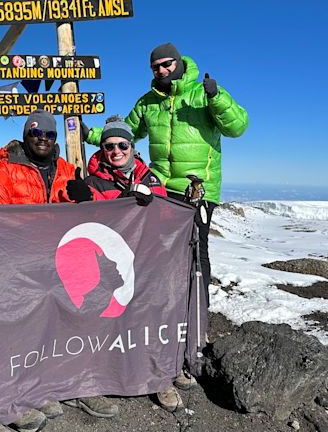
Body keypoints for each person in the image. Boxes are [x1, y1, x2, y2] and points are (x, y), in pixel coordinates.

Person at [83, 43, 248, 307]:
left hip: (196, 189)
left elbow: (237, 127)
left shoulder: (201, 93)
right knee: (157, 248)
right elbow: (128, 133)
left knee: (196, 249)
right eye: (155, 67)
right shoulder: (148, 101)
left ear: (179, 62)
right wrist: (89, 134)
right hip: (158, 186)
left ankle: (197, 311)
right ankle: (164, 307)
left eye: (166, 64)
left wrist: (216, 97)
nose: (161, 70)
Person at [0, 109, 116, 426]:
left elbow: (91, 209)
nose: (43, 138)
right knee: (28, 319)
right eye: (36, 133)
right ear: (27, 135)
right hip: (19, 264)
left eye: (49, 134)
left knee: (83, 310)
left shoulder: (67, 168)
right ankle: (28, 389)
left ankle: (76, 382)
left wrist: (86, 197)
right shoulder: (7, 168)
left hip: (60, 260)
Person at [80, 115, 185, 412]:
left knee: (154, 315)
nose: (116, 151)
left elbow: (166, 221)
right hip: (106, 266)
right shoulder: (93, 180)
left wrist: (152, 207)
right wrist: (120, 203)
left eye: (122, 144)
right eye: (109, 145)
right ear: (102, 148)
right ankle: (99, 376)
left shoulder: (149, 178)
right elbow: (92, 222)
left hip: (145, 262)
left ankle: (159, 377)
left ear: (132, 146)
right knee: (103, 314)